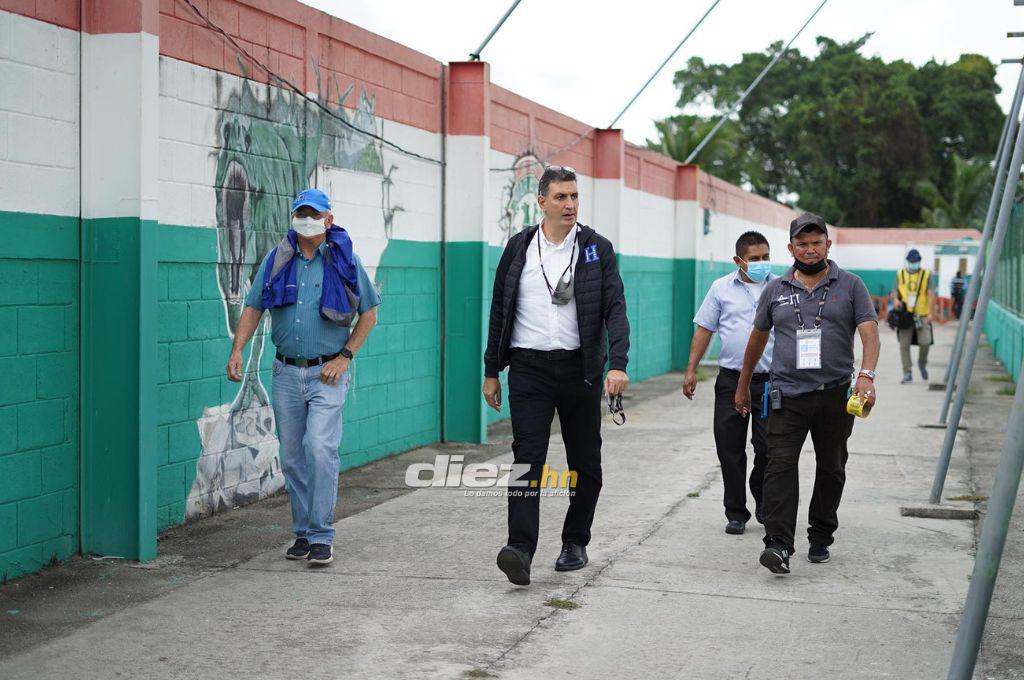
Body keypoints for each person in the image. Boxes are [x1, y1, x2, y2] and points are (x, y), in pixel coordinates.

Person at [482, 165, 630, 586]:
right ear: (541, 201)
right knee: (527, 459)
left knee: (585, 462)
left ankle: (574, 540)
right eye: (561, 197)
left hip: (580, 370)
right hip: (528, 368)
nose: (569, 204)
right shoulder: (519, 248)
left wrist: (617, 363)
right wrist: (492, 370)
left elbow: (614, 309)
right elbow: (499, 311)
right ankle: (521, 550)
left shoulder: (596, 248)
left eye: (574, 197)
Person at [226, 188, 380, 566]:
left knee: (320, 448)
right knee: (292, 456)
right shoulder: (278, 259)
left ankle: (322, 535)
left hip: (328, 372)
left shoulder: (344, 261)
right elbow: (253, 307)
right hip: (285, 372)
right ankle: (303, 532)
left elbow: (370, 314)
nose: (306, 219)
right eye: (301, 213)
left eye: (314, 214)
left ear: (329, 218)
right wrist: (237, 349)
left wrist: (345, 357)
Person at [734, 212, 880, 574]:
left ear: (828, 245)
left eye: (817, 243)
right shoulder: (775, 290)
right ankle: (778, 544)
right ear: (791, 248)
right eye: (803, 243)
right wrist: (743, 384)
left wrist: (866, 375)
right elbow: (757, 339)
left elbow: (870, 333)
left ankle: (820, 534)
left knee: (831, 467)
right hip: (787, 395)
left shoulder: (851, 286)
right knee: (779, 466)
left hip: (834, 395)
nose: (810, 249)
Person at [684, 231, 776, 535]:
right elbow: (704, 329)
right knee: (730, 448)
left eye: (765, 257)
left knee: (768, 448)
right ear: (739, 261)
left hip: (769, 383)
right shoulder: (721, 288)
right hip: (730, 380)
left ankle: (762, 497)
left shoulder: (780, 287)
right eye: (754, 259)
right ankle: (736, 512)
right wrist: (691, 369)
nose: (761, 263)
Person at [894, 248, 934, 383]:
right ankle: (907, 372)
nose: (913, 264)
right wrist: (895, 299)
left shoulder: (926, 274)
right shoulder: (900, 274)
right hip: (906, 314)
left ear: (919, 261)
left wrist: (930, 313)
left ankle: (922, 364)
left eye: (916, 262)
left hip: (922, 314)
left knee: (925, 341)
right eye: (911, 262)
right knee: (904, 345)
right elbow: (896, 291)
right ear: (907, 262)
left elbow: (930, 294)